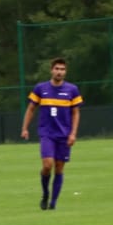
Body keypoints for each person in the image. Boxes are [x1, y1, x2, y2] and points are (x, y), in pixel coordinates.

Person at [21, 58, 82, 210]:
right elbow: (31, 109)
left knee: (59, 168)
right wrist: (25, 128)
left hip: (64, 135)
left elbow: (75, 113)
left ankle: (53, 202)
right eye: (57, 69)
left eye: (62, 69)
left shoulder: (72, 90)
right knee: (48, 165)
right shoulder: (41, 88)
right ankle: (45, 194)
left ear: (65, 72)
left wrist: (73, 134)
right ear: (51, 70)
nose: (59, 72)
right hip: (47, 134)